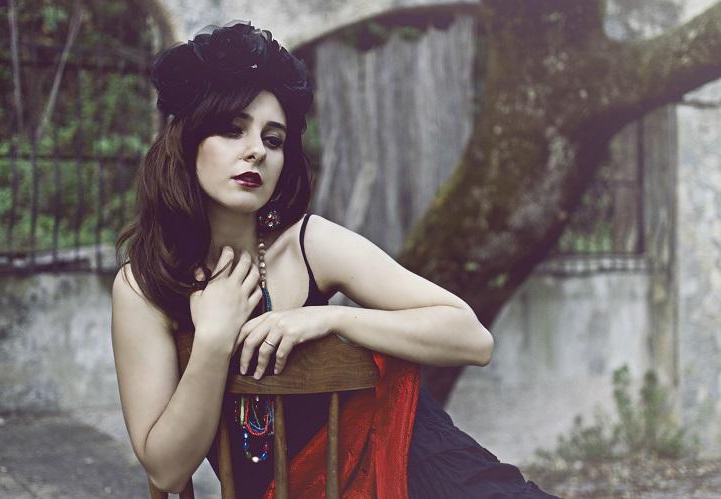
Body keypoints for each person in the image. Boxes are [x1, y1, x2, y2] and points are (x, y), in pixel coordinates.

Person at [111, 21, 558, 498]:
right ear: (187, 142)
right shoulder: (143, 288)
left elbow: (473, 339)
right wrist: (213, 341)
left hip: (420, 466)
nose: (256, 151)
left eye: (273, 139)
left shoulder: (308, 244)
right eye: (232, 129)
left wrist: (330, 319)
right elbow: (166, 473)